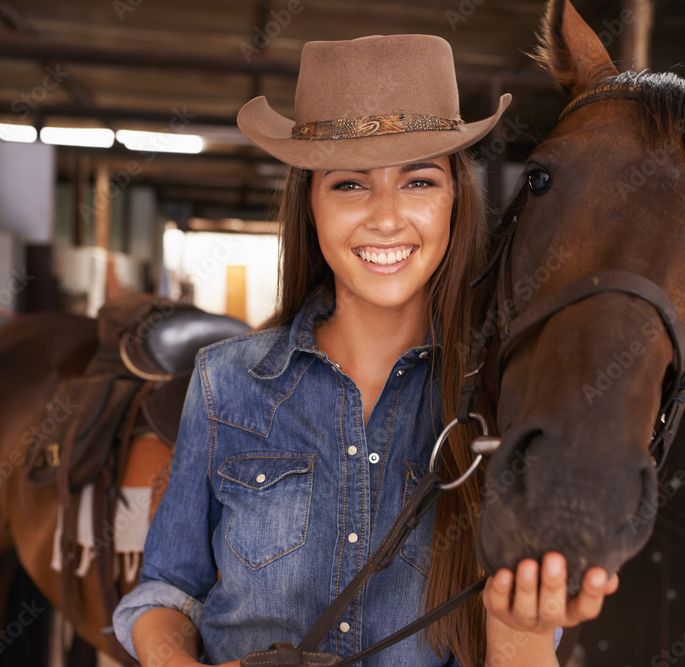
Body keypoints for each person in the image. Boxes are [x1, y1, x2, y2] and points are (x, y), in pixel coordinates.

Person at [113, 33, 617, 667]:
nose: (385, 218)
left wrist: (521, 632)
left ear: (454, 201)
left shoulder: (503, 402)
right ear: (311, 208)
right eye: (350, 185)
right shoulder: (226, 382)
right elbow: (165, 590)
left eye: (419, 182)